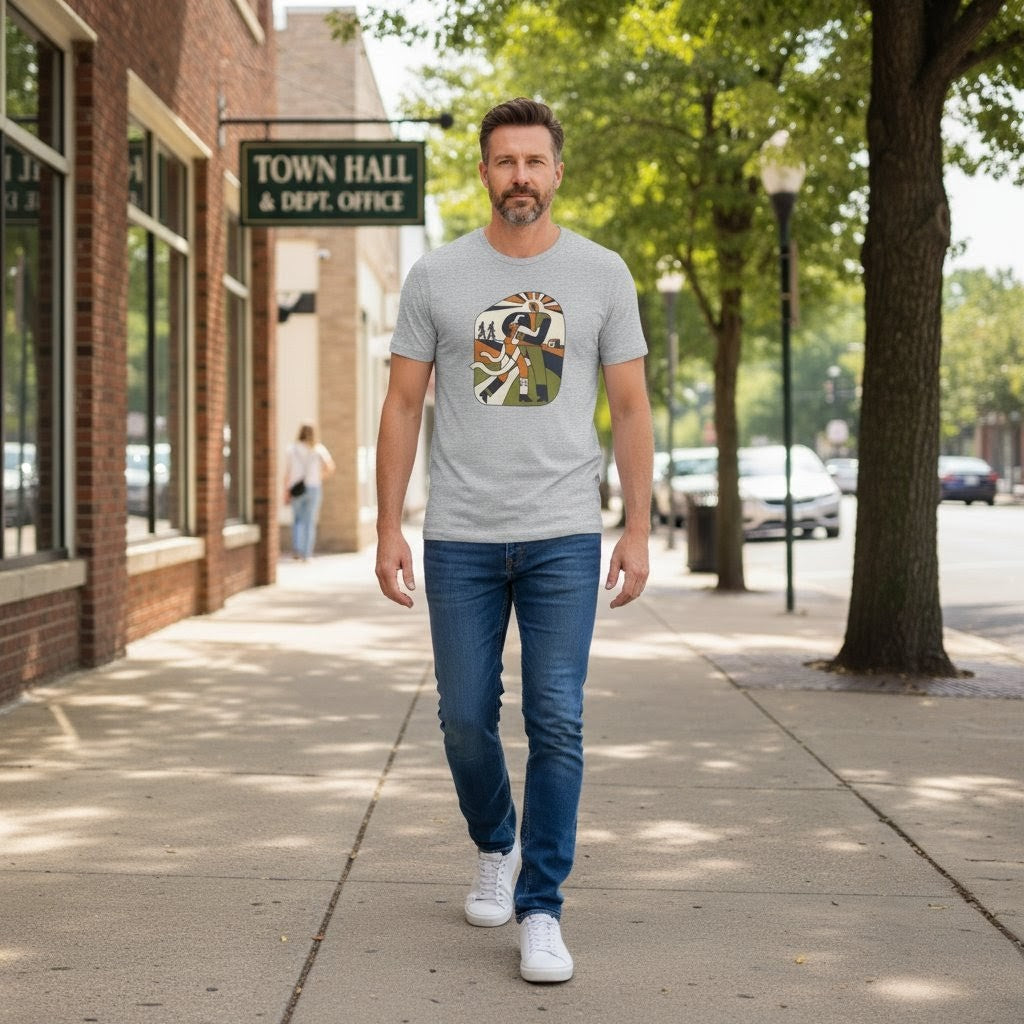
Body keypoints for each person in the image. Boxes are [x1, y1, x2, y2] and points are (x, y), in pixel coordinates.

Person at [374, 97, 653, 984]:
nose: (520, 176)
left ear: (557, 172)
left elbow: (632, 408)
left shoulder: (602, 274)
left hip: (563, 534)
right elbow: (402, 405)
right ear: (485, 172)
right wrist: (386, 525)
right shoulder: (437, 276)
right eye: (505, 161)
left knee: (557, 718)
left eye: (534, 161)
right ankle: (496, 841)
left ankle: (542, 907)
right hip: (460, 534)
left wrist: (637, 527)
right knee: (464, 718)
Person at [283, 422, 335, 560]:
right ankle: (306, 554)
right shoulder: (318, 449)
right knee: (309, 521)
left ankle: (297, 550)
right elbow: (330, 466)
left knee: (297, 520)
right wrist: (319, 476)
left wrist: (286, 491)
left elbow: (287, 473)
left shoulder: (292, 449)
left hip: (296, 488)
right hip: (313, 487)